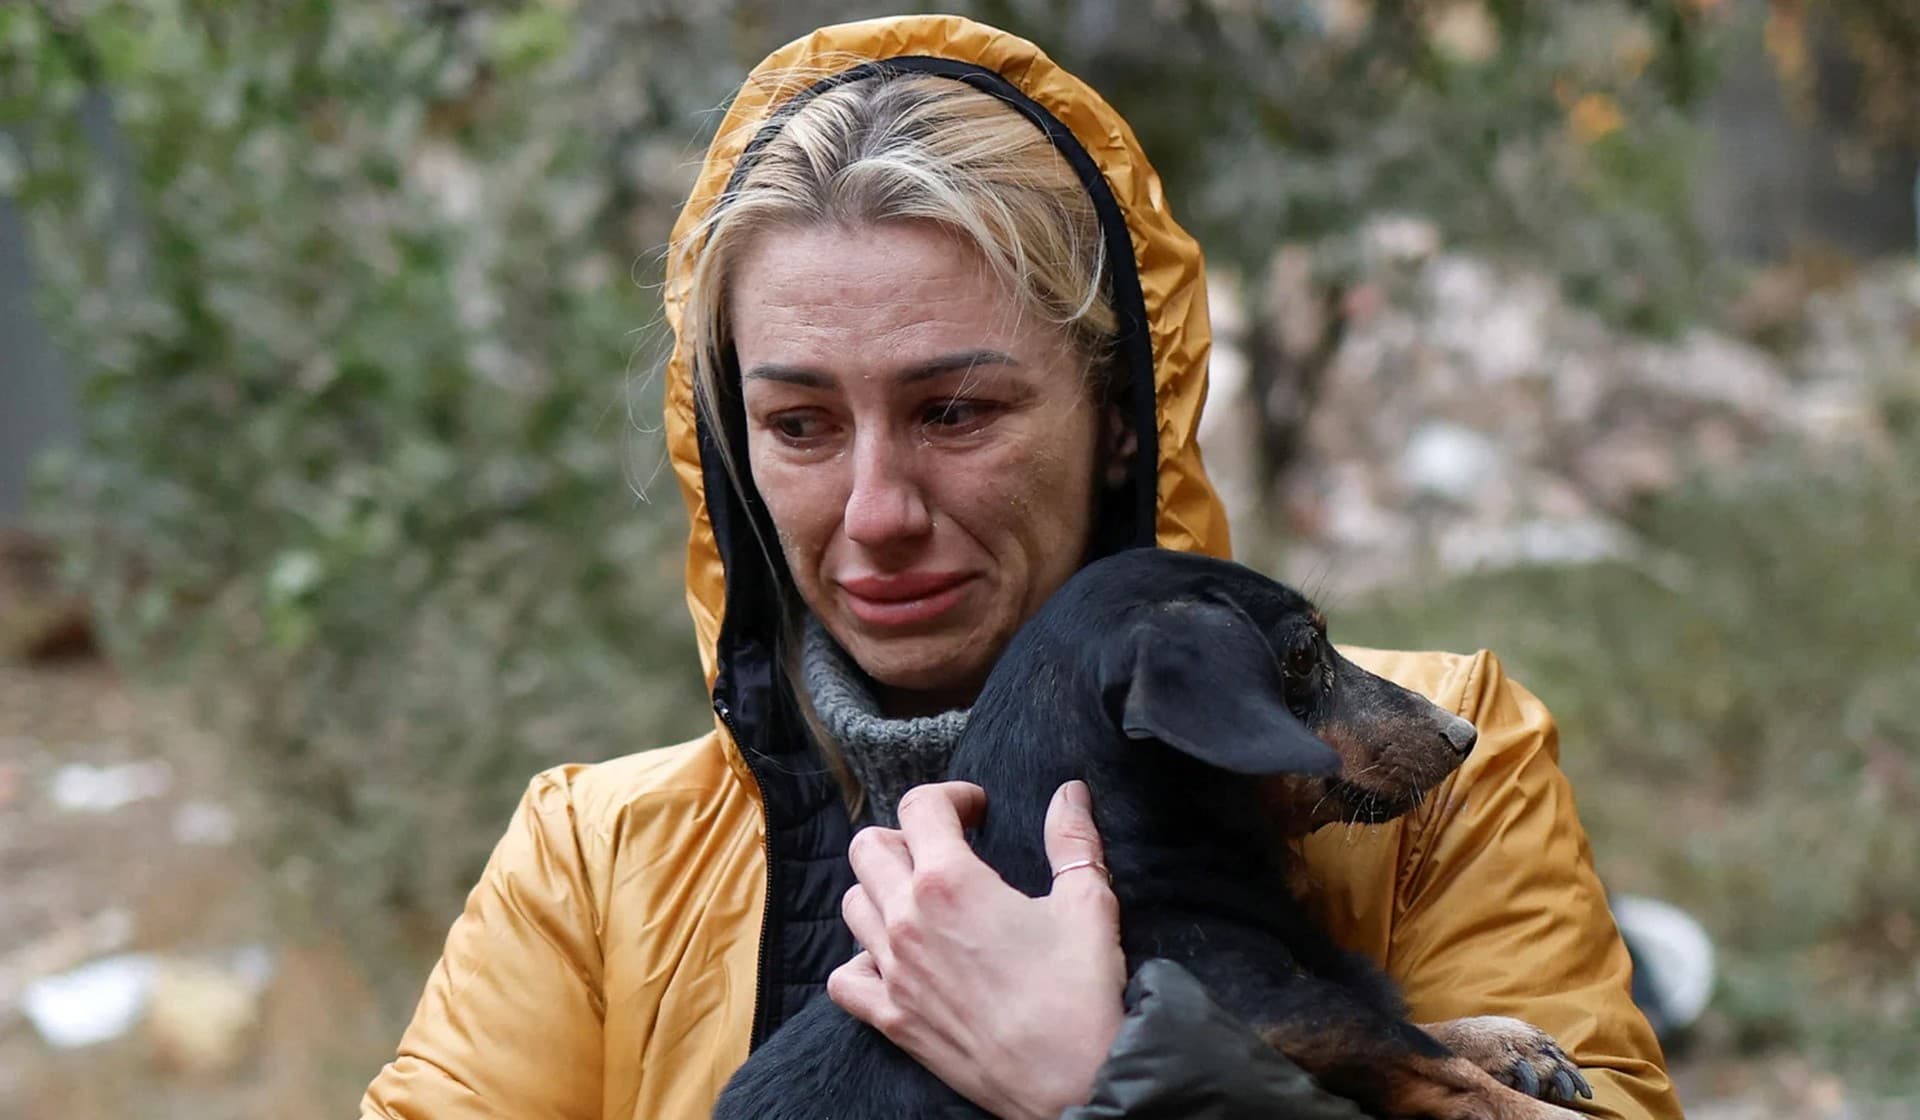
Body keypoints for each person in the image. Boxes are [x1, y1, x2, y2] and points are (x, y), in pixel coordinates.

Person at [360, 15, 1681, 1120]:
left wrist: (1111, 1076)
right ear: (729, 446)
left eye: (956, 412)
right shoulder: (598, 870)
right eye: (801, 424)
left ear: (1118, 413)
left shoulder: (1423, 783)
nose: (875, 511)